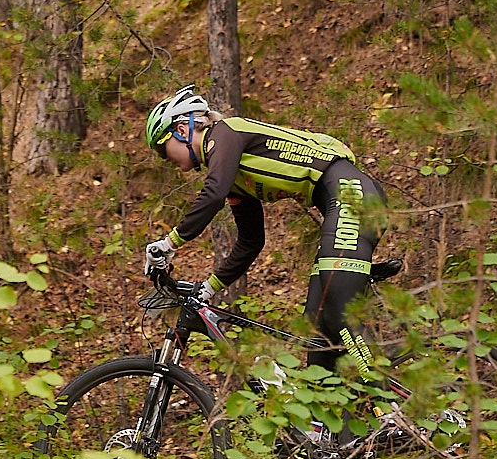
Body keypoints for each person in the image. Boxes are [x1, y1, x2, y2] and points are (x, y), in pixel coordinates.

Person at [143, 85, 387, 375]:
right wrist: (210, 287)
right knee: (317, 331)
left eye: (162, 147)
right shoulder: (234, 175)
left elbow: (212, 194)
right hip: (342, 202)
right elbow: (251, 240)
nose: (164, 158)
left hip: (351, 195)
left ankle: (390, 411)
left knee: (338, 312)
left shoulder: (225, 134)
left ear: (183, 128)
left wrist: (169, 244)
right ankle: (329, 418)